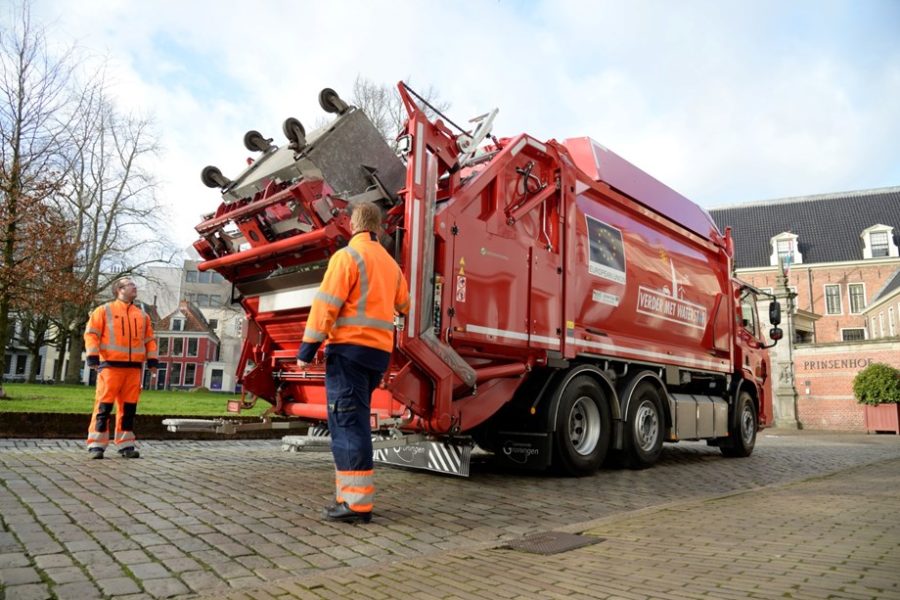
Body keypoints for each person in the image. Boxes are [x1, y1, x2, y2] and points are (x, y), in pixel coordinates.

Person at [297, 201, 409, 523]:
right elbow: (404, 305)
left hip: (348, 352)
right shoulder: (390, 265)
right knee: (354, 421)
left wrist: (307, 349)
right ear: (378, 227)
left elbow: (326, 305)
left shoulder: (347, 257)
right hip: (377, 356)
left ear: (352, 225)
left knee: (348, 425)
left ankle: (355, 504)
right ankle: (349, 497)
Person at [84, 276, 158, 459]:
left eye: (134, 285)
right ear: (119, 289)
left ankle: (126, 444)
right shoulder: (103, 310)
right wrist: (92, 356)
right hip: (110, 367)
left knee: (129, 408)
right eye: (130, 285)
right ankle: (96, 445)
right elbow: (91, 334)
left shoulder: (143, 316)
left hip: (134, 369)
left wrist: (152, 361)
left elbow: (150, 341)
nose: (135, 287)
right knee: (104, 406)